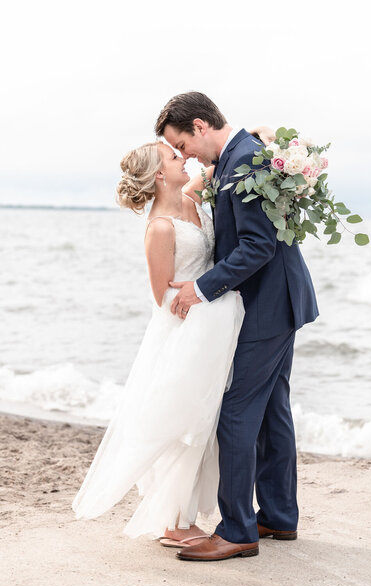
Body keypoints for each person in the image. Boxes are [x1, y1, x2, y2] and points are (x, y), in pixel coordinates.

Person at [155, 91, 319, 561]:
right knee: (271, 412)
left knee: (236, 413)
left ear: (201, 126)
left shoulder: (245, 160)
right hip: (277, 300)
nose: (183, 154)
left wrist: (201, 288)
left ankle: (237, 530)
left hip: (269, 305)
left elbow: (256, 246)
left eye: (182, 143)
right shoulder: (237, 157)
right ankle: (278, 517)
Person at [72, 140, 246, 548]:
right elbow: (162, 298)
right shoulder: (160, 227)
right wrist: (214, 303)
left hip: (209, 324)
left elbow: (224, 156)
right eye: (173, 157)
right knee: (183, 425)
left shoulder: (190, 198)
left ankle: (181, 515)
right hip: (186, 333)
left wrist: (261, 135)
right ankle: (173, 521)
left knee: (204, 423)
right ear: (158, 175)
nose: (182, 158)